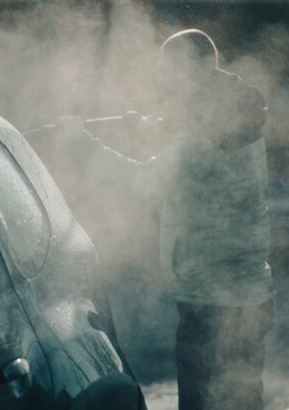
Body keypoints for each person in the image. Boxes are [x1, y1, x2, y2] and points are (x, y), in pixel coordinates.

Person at [61, 29, 275, 410]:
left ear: (200, 67)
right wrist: (154, 123)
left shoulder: (203, 136)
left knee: (200, 401)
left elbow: (143, 181)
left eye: (173, 70)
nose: (167, 80)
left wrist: (81, 142)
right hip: (246, 294)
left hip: (211, 300)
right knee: (242, 400)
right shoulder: (234, 112)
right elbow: (197, 158)